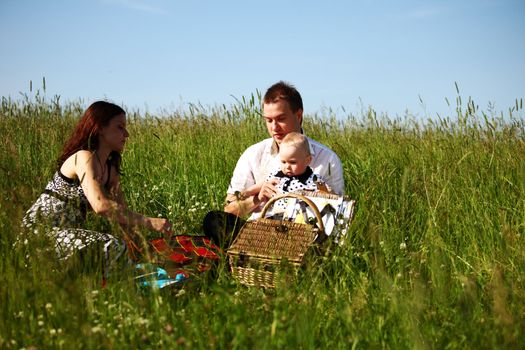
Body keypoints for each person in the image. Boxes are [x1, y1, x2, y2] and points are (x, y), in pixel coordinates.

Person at [21, 101, 173, 276]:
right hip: (39, 237)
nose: (127, 134)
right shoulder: (83, 157)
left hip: (67, 239)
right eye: (120, 127)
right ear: (100, 128)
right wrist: (150, 222)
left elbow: (121, 213)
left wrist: (140, 248)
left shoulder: (111, 168)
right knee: (112, 245)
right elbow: (101, 205)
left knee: (122, 250)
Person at [203, 81, 344, 248]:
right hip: (259, 234)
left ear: (298, 116)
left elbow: (338, 215)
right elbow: (230, 208)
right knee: (214, 220)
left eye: (281, 119)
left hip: (304, 238)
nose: (274, 127)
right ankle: (248, 258)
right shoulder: (253, 154)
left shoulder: (327, 158)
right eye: (269, 120)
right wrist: (257, 199)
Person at [250, 131, 329, 216]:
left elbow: (325, 198)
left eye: (292, 162)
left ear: (307, 160)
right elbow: (264, 190)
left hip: (301, 219)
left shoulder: (314, 180)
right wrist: (255, 194)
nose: (287, 166)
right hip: (274, 217)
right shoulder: (276, 176)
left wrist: (326, 192)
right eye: (283, 162)